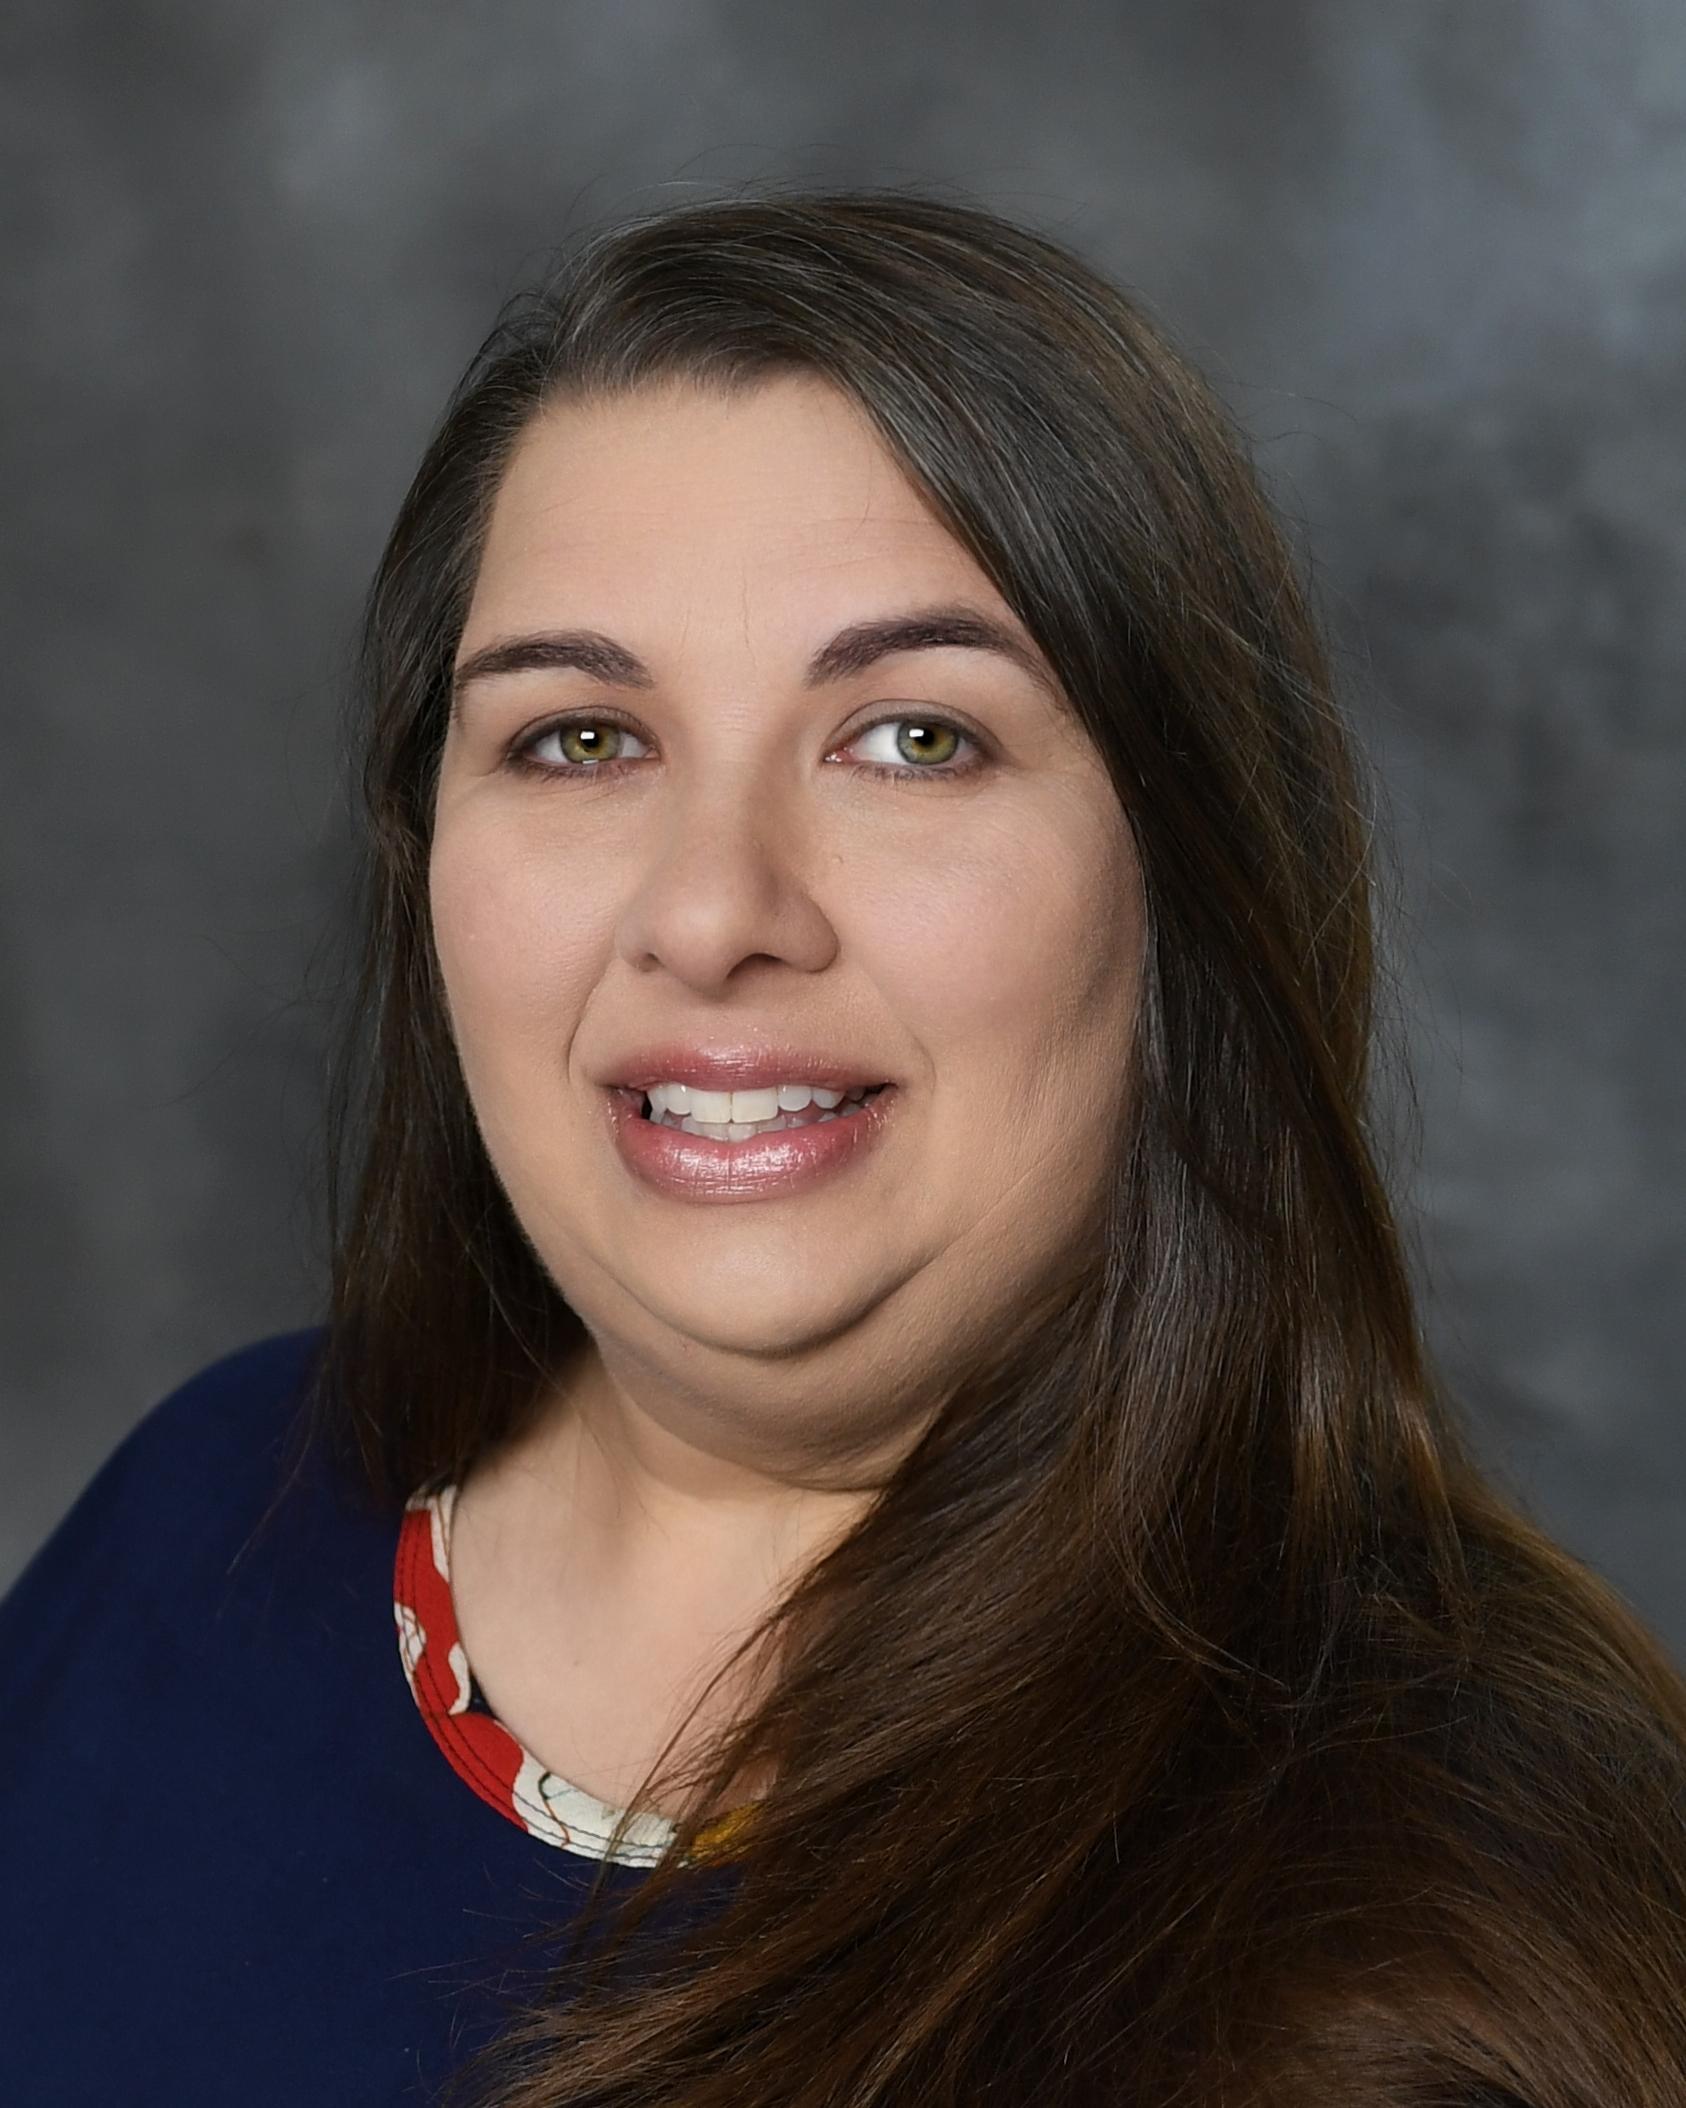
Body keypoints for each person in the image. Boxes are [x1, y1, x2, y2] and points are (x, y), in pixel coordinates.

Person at [2, 186, 1683, 2108]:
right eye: (577, 739)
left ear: (1194, 885)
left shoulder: (1437, 1928)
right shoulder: (207, 1510)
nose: (714, 910)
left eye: (911, 740)